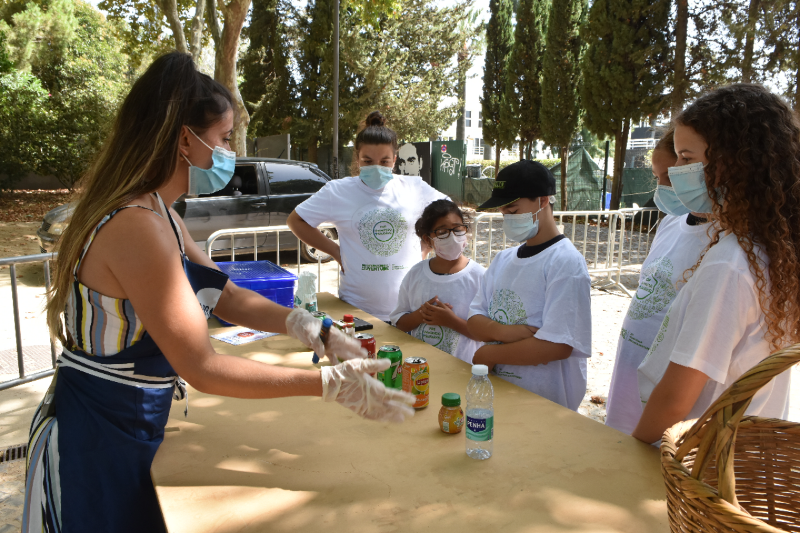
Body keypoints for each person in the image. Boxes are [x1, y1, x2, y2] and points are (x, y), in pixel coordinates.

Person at [23, 53, 414, 533]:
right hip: (102, 433)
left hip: (131, 419)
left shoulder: (159, 210)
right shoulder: (135, 226)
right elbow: (202, 367)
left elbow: (222, 295)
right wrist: (328, 383)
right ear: (184, 139)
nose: (230, 151)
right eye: (225, 138)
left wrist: (314, 328)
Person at [632, 83, 800, 444]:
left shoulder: (730, 264)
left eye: (686, 158)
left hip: (695, 454)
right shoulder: (769, 250)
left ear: (732, 163)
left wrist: (630, 452)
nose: (676, 170)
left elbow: (676, 399)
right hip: (739, 450)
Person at [287, 111, 447, 322]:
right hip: (357, 310)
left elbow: (448, 214)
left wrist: (425, 247)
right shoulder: (338, 191)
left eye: (385, 161)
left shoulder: (414, 187)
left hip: (410, 310)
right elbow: (296, 220)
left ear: (395, 160)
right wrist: (335, 252)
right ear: (357, 159)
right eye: (368, 161)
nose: (376, 167)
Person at [604, 129, 711, 435]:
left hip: (671, 402)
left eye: (672, 175)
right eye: (657, 177)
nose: (663, 186)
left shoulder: (724, 245)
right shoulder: (670, 223)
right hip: (631, 377)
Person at [467, 160, 592, 411]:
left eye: (513, 211)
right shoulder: (503, 259)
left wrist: (490, 354)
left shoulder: (565, 263)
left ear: (543, 200)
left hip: (543, 401)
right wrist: (505, 332)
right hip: (498, 393)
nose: (507, 218)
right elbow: (474, 321)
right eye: (503, 213)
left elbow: (558, 345)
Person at [390, 199, 485, 363]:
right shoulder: (416, 274)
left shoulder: (480, 277)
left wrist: (452, 321)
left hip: (462, 369)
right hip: (420, 368)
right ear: (428, 239)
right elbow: (400, 324)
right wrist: (421, 315)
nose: (452, 236)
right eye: (442, 232)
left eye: (457, 229)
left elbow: (486, 334)